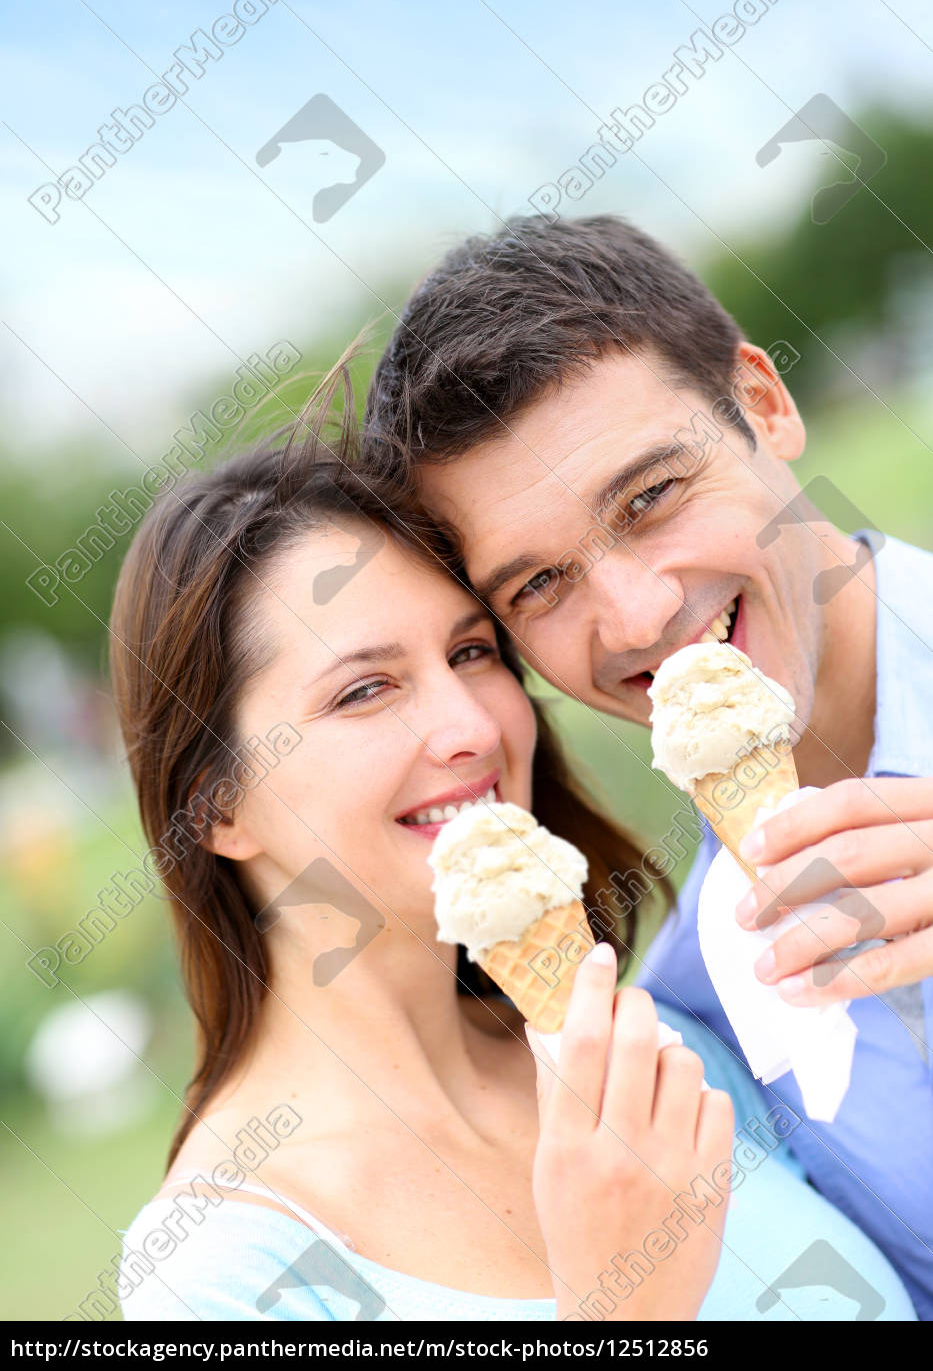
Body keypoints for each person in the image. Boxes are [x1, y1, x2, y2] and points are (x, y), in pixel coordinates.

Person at [111, 387, 911, 1321]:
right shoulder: (220, 1280)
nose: (468, 728)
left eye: (472, 653)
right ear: (214, 804)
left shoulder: (664, 1050)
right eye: (365, 690)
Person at [363, 213, 933, 1318]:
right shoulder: (699, 1002)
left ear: (763, 403)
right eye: (537, 585)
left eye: (652, 497)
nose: (635, 614)